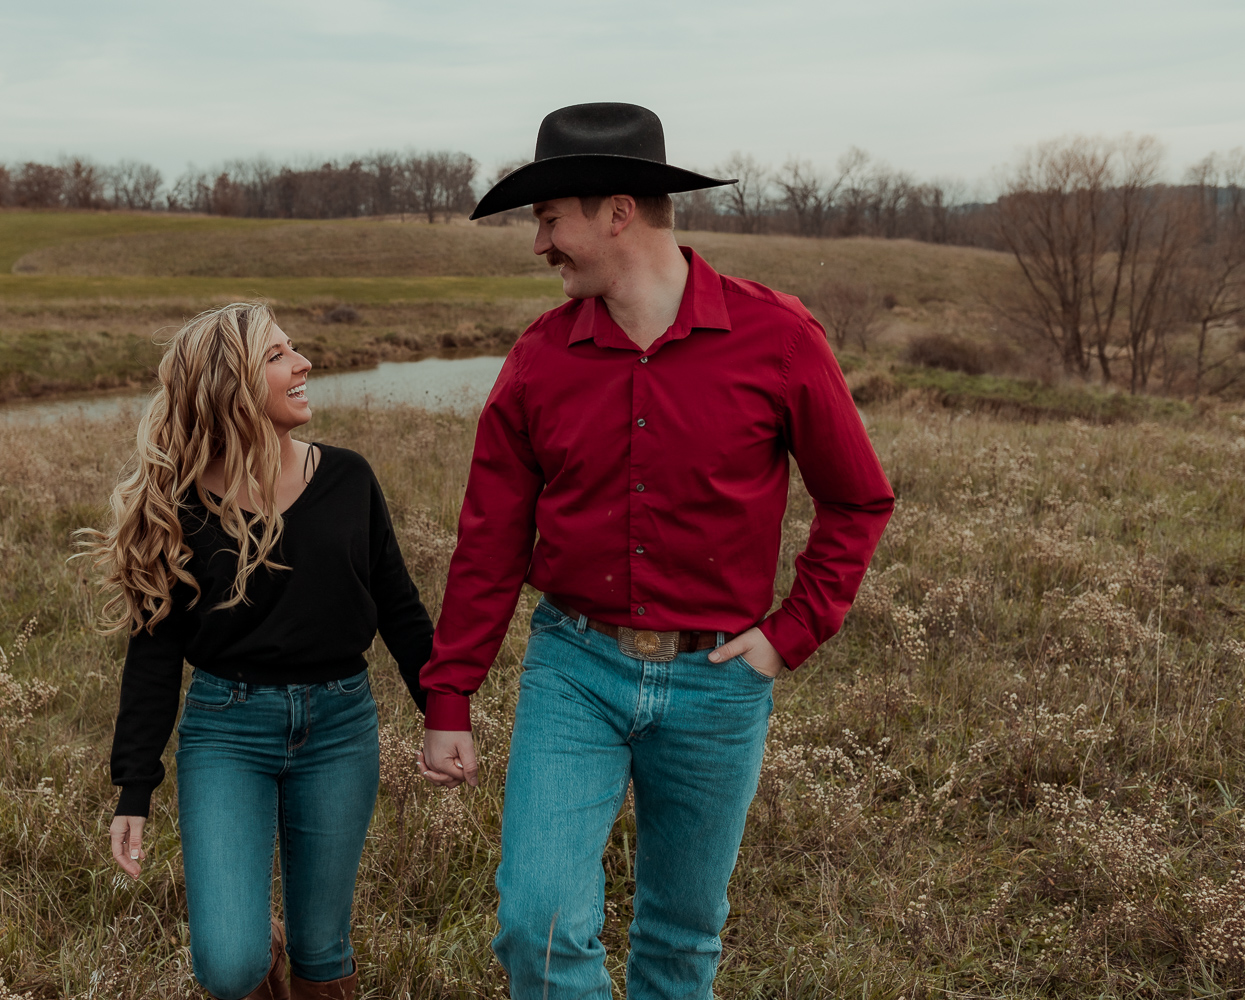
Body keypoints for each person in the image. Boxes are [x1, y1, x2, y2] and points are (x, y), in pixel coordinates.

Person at [415, 104, 894, 999]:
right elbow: (489, 539)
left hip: (719, 681)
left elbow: (858, 497)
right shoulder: (538, 360)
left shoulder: (778, 338)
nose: (540, 246)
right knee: (538, 928)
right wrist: (449, 695)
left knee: (680, 943)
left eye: (549, 220)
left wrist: (794, 630)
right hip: (575, 668)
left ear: (618, 213)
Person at [86, 303, 433, 1000]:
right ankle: (261, 957)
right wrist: (134, 788)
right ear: (231, 386)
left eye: (294, 349)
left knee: (323, 948)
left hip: (340, 727)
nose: (303, 364)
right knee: (230, 965)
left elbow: (399, 606)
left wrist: (444, 710)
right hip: (227, 731)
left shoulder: (349, 479)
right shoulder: (179, 506)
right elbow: (154, 657)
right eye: (278, 356)